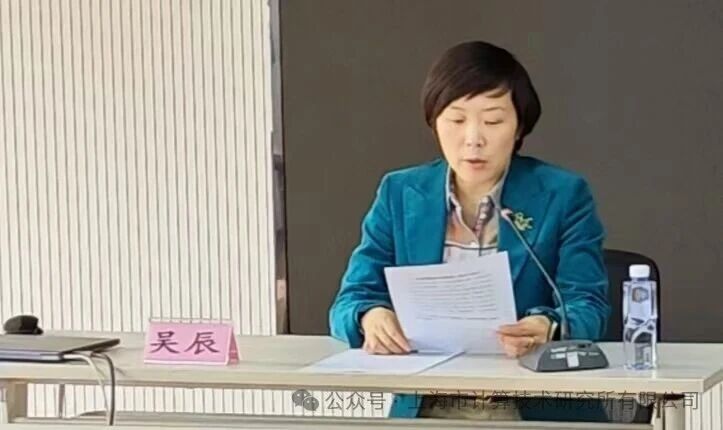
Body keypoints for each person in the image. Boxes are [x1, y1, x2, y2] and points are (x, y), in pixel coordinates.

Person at [329, 40, 615, 422]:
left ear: (519, 127)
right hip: (430, 408)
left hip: (535, 408)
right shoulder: (400, 193)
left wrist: (547, 325)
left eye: (493, 121)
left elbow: (588, 306)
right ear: (434, 121)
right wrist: (370, 315)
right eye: (456, 120)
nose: (473, 139)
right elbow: (348, 302)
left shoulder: (563, 195)